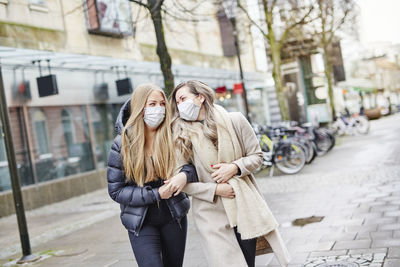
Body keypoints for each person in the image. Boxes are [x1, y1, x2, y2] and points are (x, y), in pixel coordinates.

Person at [170, 80, 291, 267]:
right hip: (210, 214)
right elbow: (180, 181)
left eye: (183, 98)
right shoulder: (180, 135)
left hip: (243, 207)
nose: (180, 105)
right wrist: (215, 189)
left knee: (248, 261)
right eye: (177, 102)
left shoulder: (235, 120)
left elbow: (256, 156)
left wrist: (234, 167)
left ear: (200, 97)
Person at [107, 84, 198, 267]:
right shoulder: (123, 144)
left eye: (162, 104)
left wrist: (184, 176)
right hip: (141, 221)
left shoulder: (174, 135)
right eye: (152, 104)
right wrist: (156, 194)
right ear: (141, 108)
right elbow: (116, 191)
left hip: (174, 217)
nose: (158, 109)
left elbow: (195, 166)